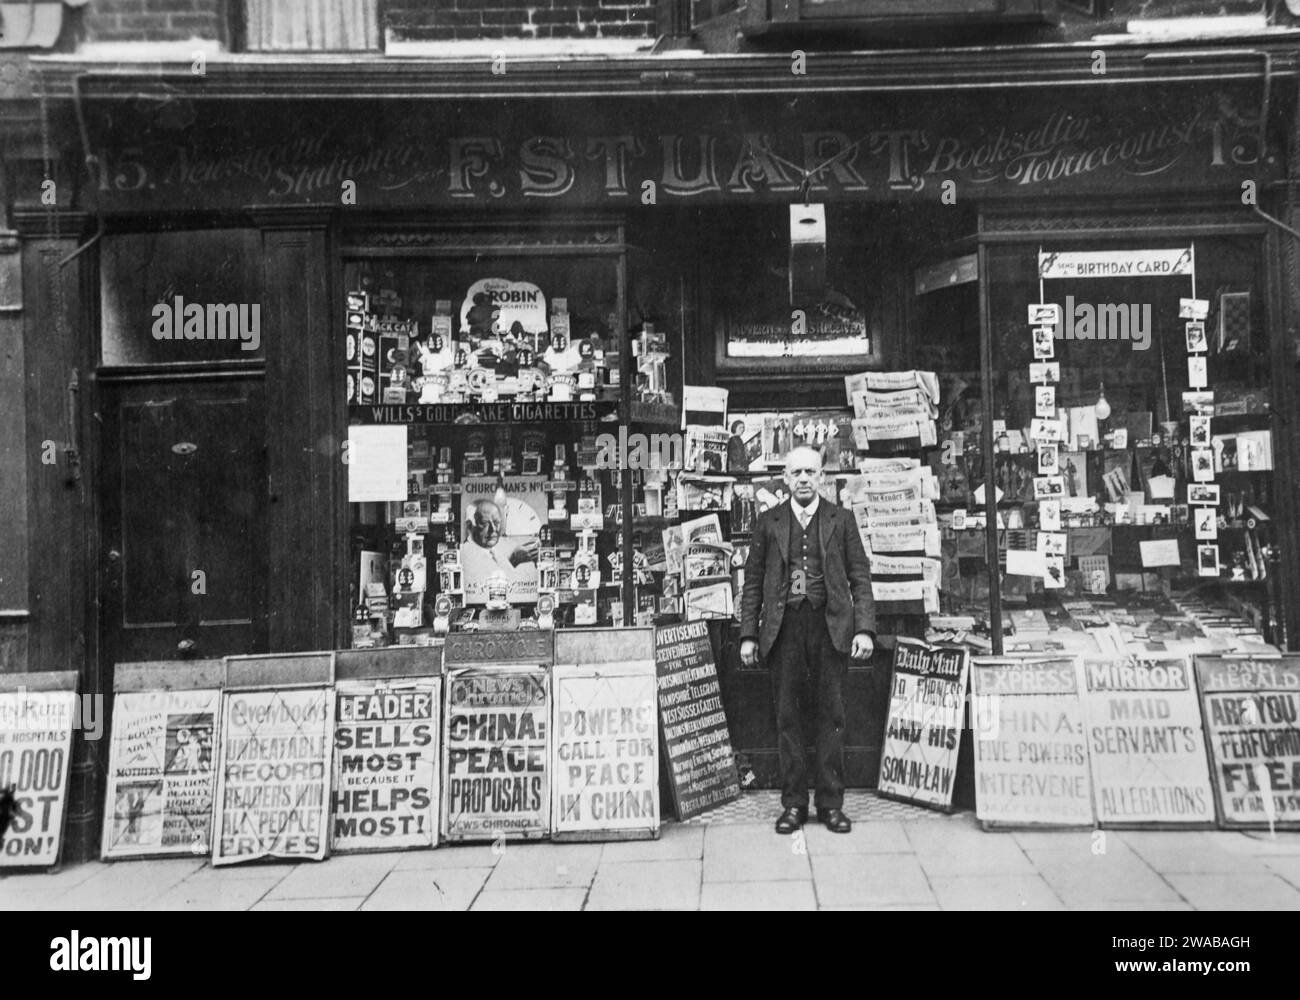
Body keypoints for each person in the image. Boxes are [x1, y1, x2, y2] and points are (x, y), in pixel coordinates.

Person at [740, 445, 875, 835]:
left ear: (822, 478)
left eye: (810, 472)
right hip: (784, 631)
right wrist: (749, 634)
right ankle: (795, 804)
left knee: (832, 717)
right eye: (795, 472)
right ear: (785, 478)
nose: (803, 479)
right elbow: (752, 584)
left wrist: (864, 628)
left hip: (830, 629)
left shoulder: (842, 520)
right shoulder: (769, 522)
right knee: (788, 719)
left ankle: (831, 804)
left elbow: (860, 578)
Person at [461, 498, 539, 603]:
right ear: (470, 527)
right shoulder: (466, 554)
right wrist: (515, 558)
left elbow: (508, 580)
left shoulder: (491, 551)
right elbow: (495, 583)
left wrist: (515, 558)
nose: (493, 529)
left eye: (496, 522)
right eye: (484, 523)